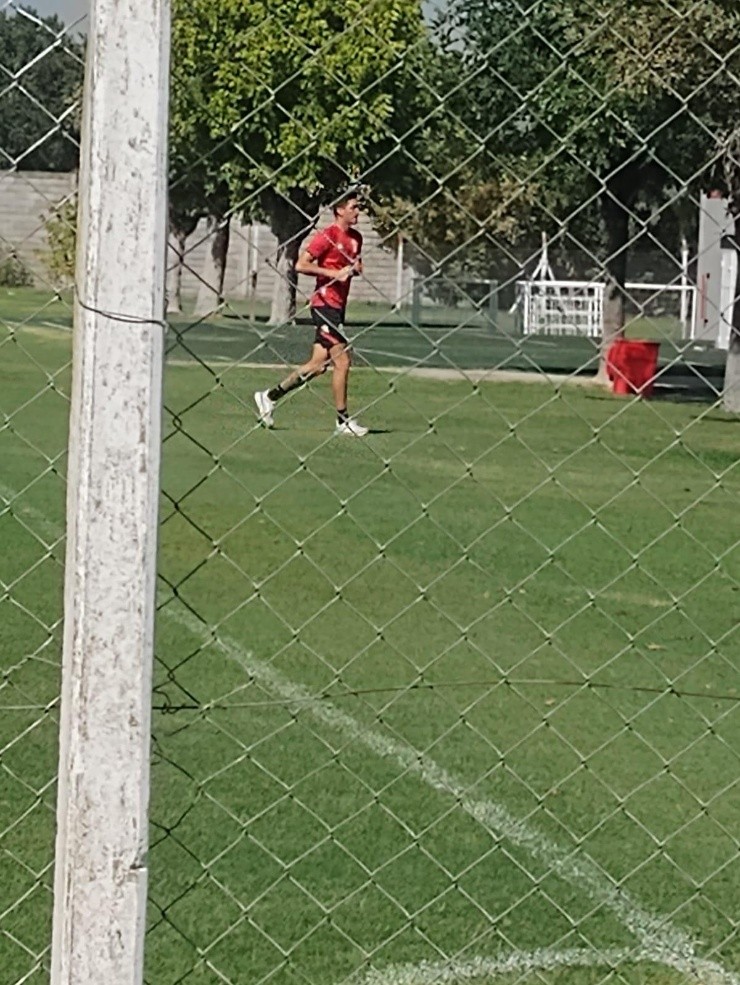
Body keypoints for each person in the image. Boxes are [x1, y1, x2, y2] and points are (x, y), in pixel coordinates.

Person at [254, 192, 369, 436]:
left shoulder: (356, 238)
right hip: (323, 304)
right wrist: (332, 274)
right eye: (353, 207)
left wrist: (354, 270)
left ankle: (269, 396)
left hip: (338, 306)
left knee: (317, 366)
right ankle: (342, 421)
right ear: (340, 210)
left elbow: (354, 267)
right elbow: (301, 264)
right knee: (343, 361)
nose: (358, 212)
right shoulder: (327, 236)